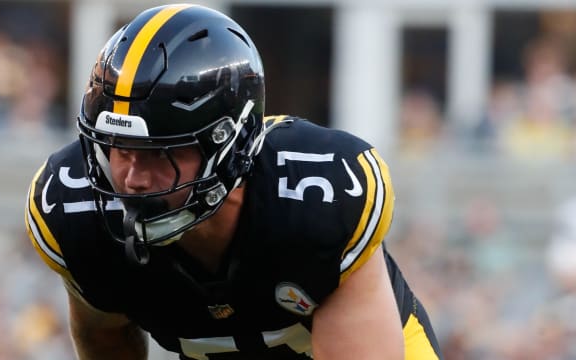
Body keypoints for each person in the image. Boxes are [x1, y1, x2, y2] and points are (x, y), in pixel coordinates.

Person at [25, 4, 441, 359]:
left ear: (229, 145)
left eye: (158, 153)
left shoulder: (316, 201)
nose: (132, 178)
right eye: (119, 149)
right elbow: (104, 334)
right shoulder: (74, 213)